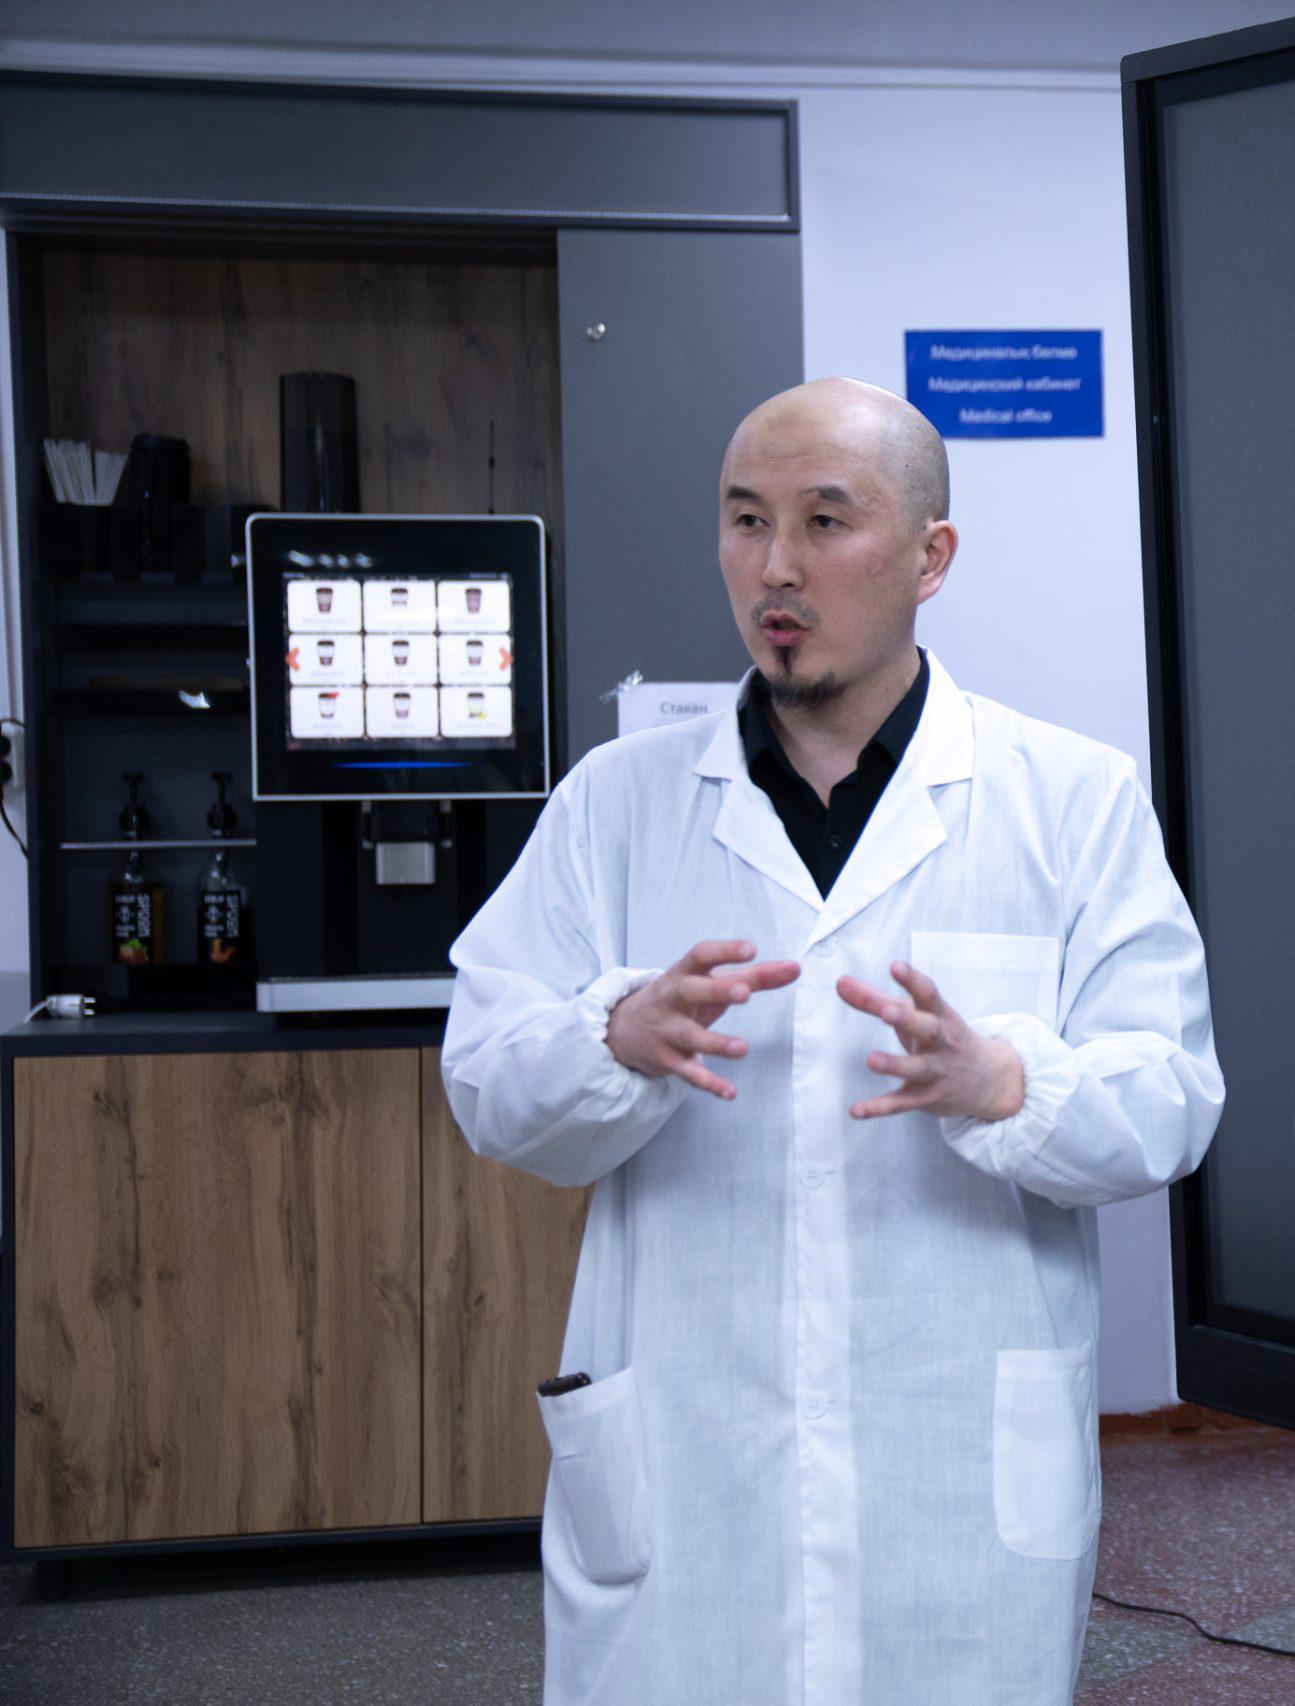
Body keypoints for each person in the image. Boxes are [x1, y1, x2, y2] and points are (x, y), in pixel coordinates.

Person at [440, 377, 1223, 1705]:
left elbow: (1173, 1098)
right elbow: (484, 1078)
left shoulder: (1069, 800)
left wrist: (1007, 1083)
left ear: (931, 555)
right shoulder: (616, 807)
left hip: (953, 1474)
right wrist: (613, 1037)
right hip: (690, 1461)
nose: (776, 567)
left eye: (824, 520)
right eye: (746, 520)